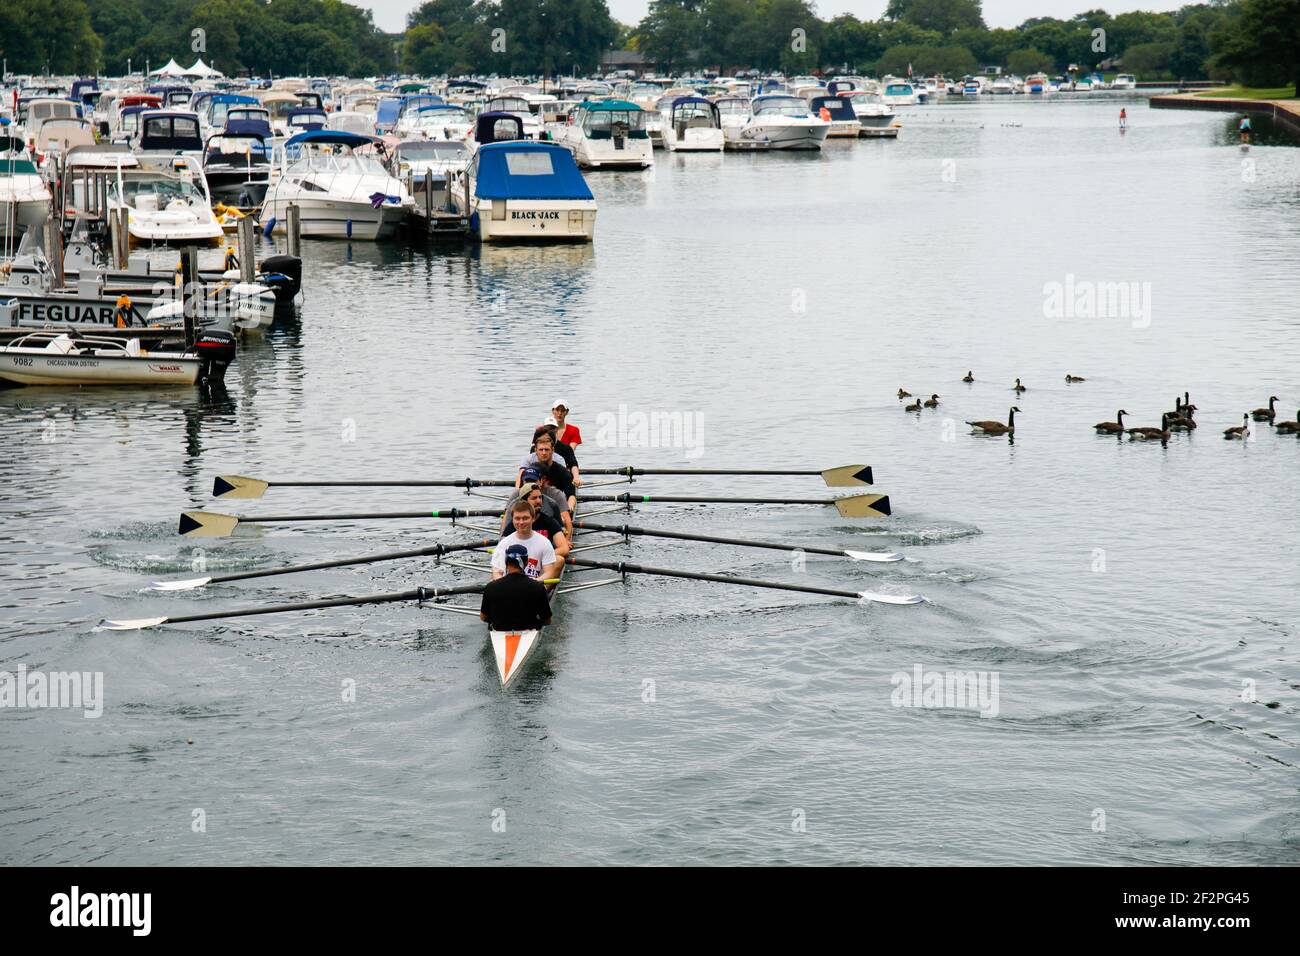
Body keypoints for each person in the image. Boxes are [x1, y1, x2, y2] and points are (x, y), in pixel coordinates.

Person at [480, 544, 553, 632]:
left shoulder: (491, 587)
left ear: (506, 562)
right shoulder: (538, 587)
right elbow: (547, 621)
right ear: (526, 562)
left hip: (499, 629)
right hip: (529, 629)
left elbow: (483, 617)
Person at [490, 499, 561, 584]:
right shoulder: (504, 543)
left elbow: (549, 573)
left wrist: (531, 583)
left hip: (534, 588)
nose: (521, 522)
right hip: (509, 587)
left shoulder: (544, 543)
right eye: (517, 518)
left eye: (525, 518)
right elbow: (496, 573)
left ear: (533, 518)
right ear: (512, 519)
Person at [501, 481, 571, 562]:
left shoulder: (549, 522)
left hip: (542, 563)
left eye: (540, 497)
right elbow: (502, 549)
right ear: (524, 501)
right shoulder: (517, 524)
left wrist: (539, 557)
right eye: (534, 498)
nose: (539, 501)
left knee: (559, 560)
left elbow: (564, 549)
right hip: (521, 562)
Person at [517, 431, 577, 511]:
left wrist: (570, 506)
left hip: (556, 505)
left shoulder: (562, 471)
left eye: (547, 449)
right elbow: (519, 492)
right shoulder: (529, 471)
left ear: (552, 450)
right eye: (541, 450)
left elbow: (571, 495)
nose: (544, 453)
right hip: (532, 506)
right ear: (535, 450)